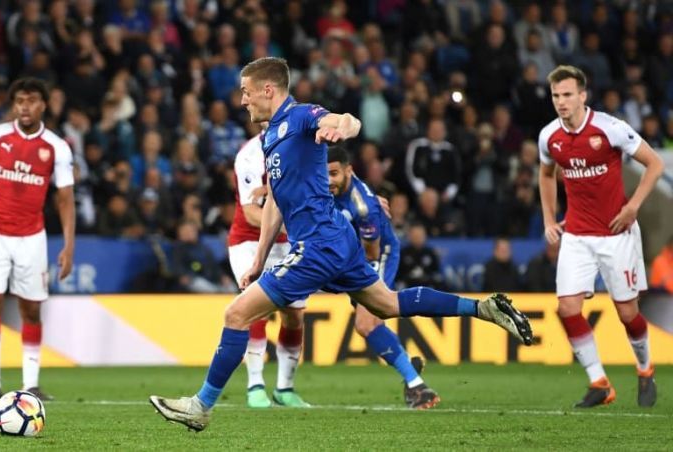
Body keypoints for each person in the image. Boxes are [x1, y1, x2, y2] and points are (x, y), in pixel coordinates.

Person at [150, 57, 533, 432]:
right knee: (387, 303)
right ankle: (483, 308)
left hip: (318, 245)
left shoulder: (300, 117)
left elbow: (345, 120)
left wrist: (341, 128)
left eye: (246, 92)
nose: (243, 100)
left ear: (269, 89)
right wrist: (259, 260)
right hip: (336, 240)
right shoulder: (269, 136)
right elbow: (277, 204)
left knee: (236, 315)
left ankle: (201, 406)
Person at [538, 65, 664, 408]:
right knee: (567, 308)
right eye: (555, 96)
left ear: (582, 95)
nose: (561, 102)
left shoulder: (610, 129)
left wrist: (633, 206)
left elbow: (655, 164)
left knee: (627, 313)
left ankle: (644, 368)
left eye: (567, 95)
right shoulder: (549, 136)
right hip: (577, 235)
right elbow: (546, 173)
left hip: (616, 234)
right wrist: (550, 217)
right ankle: (599, 381)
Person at [0, 78, 76, 402]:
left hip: (31, 236)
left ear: (44, 105)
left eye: (32, 100)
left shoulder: (57, 147)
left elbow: (65, 199)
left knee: (32, 309)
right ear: (13, 105)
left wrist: (69, 245)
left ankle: (31, 384)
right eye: (20, 101)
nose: (25, 106)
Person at [327, 145, 437, 409]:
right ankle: (407, 364)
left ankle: (418, 387)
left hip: (375, 255)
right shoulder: (323, 185)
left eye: (333, 174)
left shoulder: (363, 205)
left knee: (366, 322)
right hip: (350, 254)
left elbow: (371, 251)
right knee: (370, 322)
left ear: (349, 171)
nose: (327, 180)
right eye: (324, 175)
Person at [227, 127, 310, 408]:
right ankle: (255, 386)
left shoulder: (302, 150)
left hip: (288, 243)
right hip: (248, 242)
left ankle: (285, 389)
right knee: (255, 310)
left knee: (294, 316)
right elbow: (251, 211)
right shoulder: (249, 156)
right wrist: (291, 224)